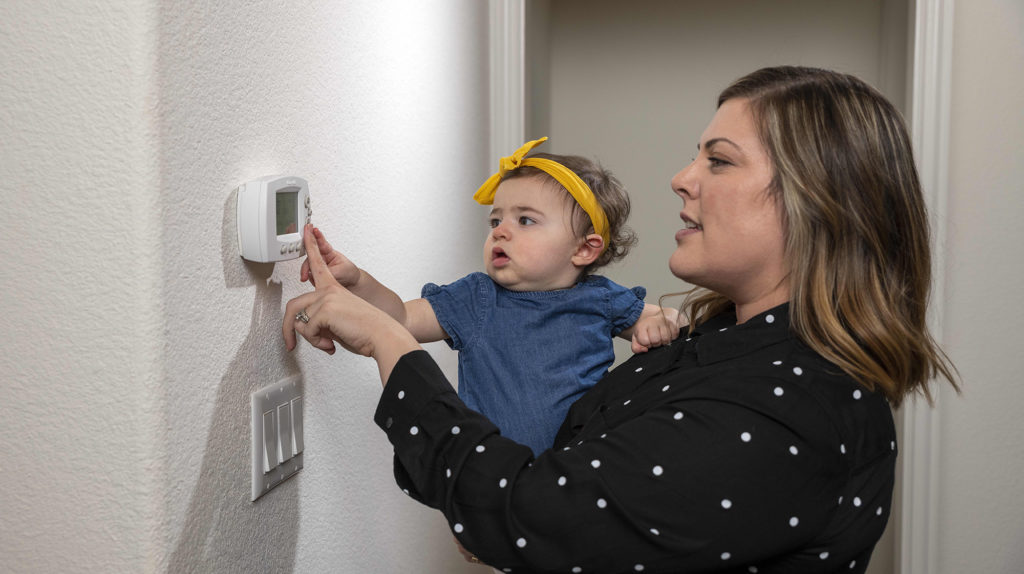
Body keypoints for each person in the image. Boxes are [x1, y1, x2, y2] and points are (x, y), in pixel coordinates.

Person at [284, 66, 959, 573]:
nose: (681, 177)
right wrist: (372, 303)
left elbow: (536, 514)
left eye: (718, 160)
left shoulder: (785, 409)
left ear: (820, 202)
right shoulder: (720, 344)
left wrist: (386, 342)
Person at [298, 138, 680, 456]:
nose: (500, 231)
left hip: (578, 471)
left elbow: (666, 318)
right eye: (496, 220)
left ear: (584, 250)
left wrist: (657, 324)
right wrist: (358, 281)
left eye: (525, 220)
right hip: (495, 477)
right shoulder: (477, 299)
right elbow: (398, 320)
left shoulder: (601, 300)